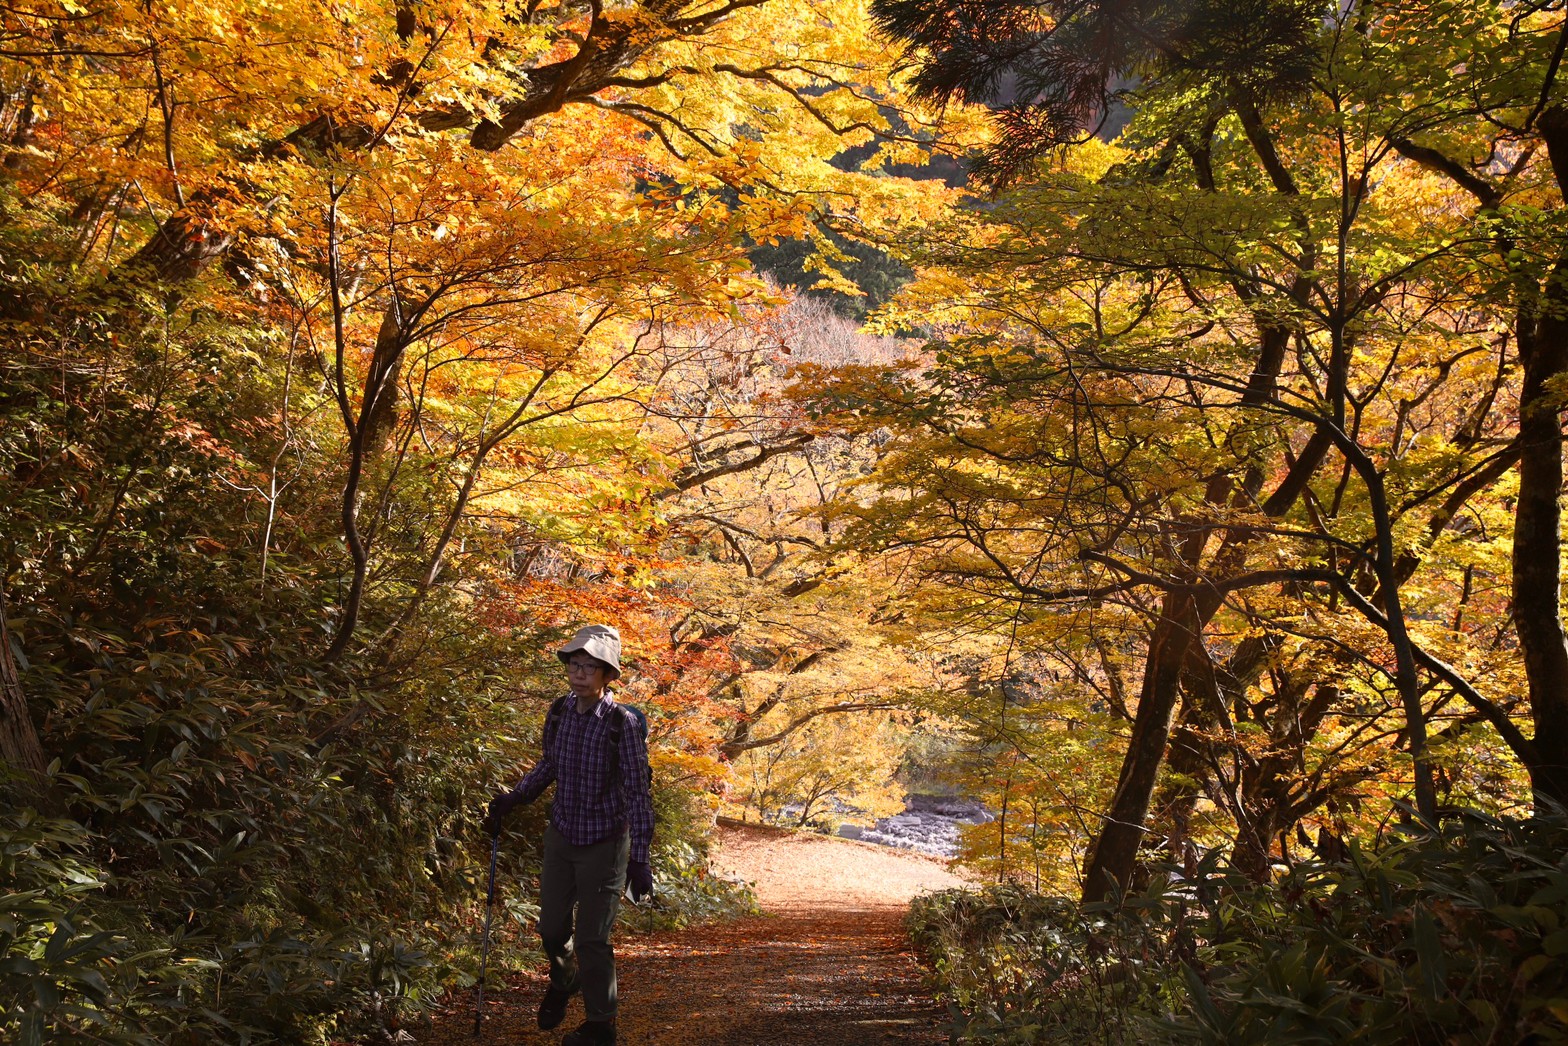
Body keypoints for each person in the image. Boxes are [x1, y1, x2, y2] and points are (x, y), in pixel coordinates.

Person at [483, 623, 654, 1046]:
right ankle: (564, 980)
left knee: (593, 937)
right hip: (562, 835)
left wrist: (641, 858)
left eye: (589, 667)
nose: (579, 674)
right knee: (551, 930)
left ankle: (601, 1024)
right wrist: (514, 798)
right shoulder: (559, 711)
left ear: (608, 675)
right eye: (574, 665)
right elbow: (549, 765)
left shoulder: (623, 724)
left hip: (605, 841)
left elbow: (637, 789)